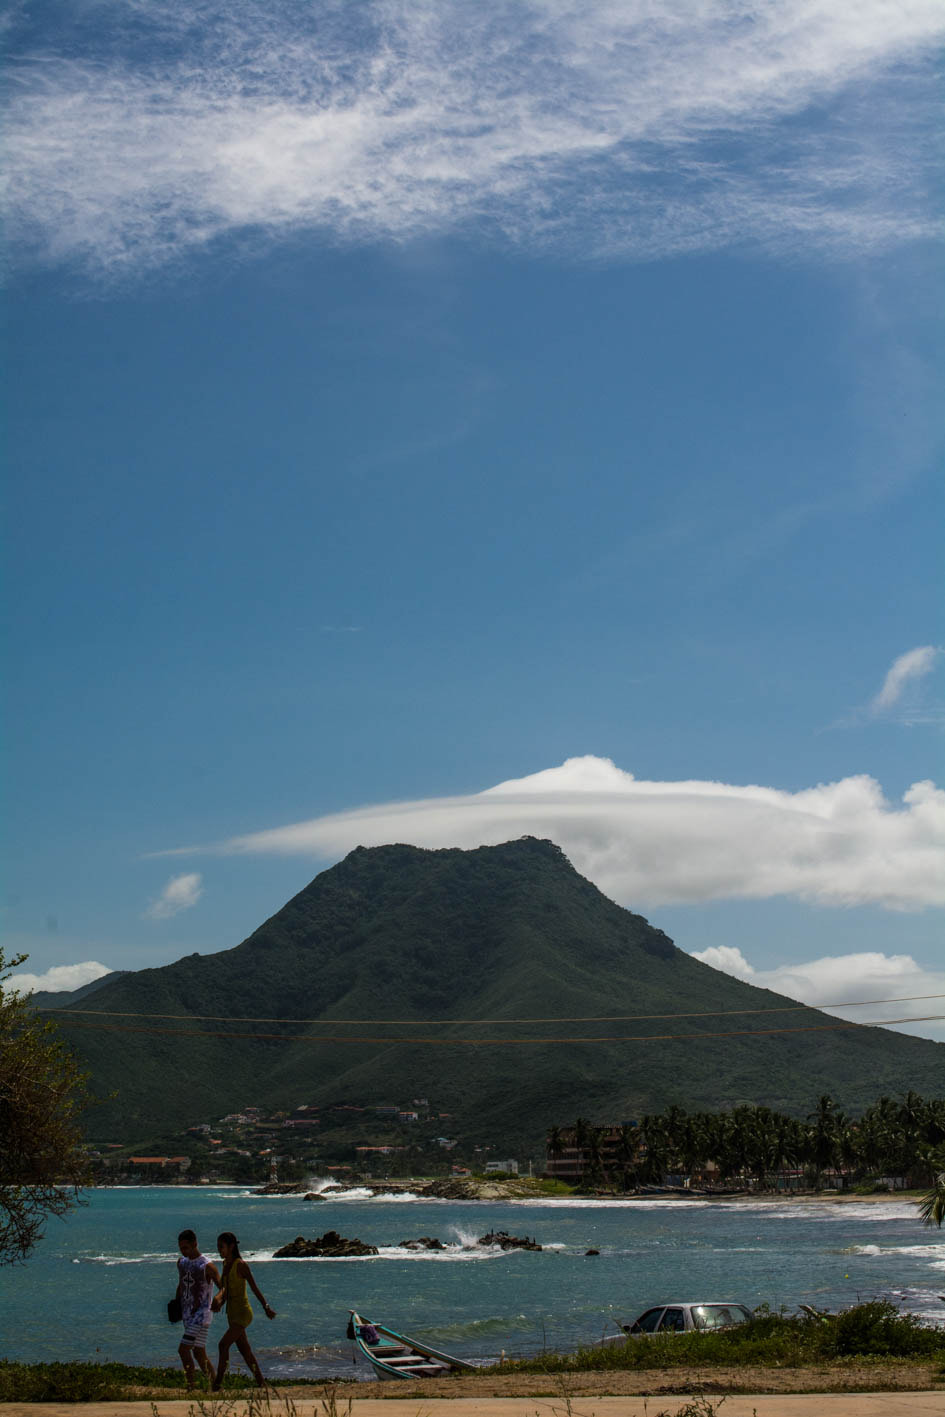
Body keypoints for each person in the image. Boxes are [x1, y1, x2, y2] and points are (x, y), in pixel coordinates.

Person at [211, 1231, 276, 1389]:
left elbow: (254, 1288)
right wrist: (218, 1302)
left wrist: (266, 1307)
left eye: (222, 1247)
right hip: (232, 1315)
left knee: (223, 1345)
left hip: (243, 1314)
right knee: (245, 1352)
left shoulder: (241, 1265)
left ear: (231, 1246)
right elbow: (226, 1290)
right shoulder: (225, 1264)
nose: (219, 1250)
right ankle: (262, 1383)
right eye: (218, 1247)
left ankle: (217, 1384)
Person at [175, 1229, 222, 1389]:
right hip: (187, 1314)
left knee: (183, 1350)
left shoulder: (206, 1265)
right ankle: (215, 1385)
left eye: (186, 1247)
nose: (183, 1251)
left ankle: (191, 1386)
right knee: (199, 1353)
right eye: (181, 1248)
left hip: (201, 1315)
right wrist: (176, 1304)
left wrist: (218, 1298)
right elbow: (181, 1284)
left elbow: (223, 1286)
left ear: (195, 1244)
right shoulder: (182, 1262)